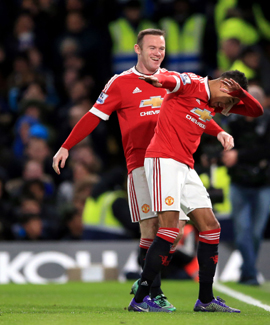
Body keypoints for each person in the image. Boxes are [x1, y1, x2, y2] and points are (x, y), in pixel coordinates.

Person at [52, 29, 231, 311]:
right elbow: (93, 115)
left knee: (175, 230)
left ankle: (147, 281)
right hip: (142, 164)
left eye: (161, 47)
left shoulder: (173, 82)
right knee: (153, 229)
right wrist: (66, 146)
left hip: (179, 160)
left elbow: (197, 111)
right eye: (152, 47)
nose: (158, 52)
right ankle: (152, 292)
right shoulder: (120, 82)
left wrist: (218, 131)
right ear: (137, 49)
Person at [128, 69, 263, 312]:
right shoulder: (192, 83)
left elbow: (256, 110)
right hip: (164, 160)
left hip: (185, 166)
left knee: (211, 226)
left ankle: (206, 299)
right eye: (229, 101)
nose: (226, 109)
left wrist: (220, 129)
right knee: (169, 229)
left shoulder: (210, 103)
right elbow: (173, 81)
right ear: (224, 85)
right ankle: (140, 298)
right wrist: (160, 81)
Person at [221, 85, 270, 285]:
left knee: (255, 232)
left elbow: (268, 150)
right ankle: (250, 273)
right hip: (239, 182)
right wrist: (225, 155)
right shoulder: (235, 121)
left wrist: (238, 156)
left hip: (264, 183)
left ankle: (248, 270)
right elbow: (225, 145)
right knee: (242, 231)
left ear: (262, 102)